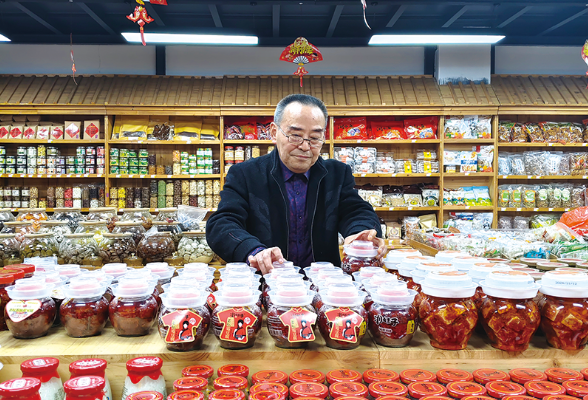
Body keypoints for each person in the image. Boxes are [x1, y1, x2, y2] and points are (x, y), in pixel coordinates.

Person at [206, 93, 385, 274]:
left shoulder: (337, 174)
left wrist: (360, 233)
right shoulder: (246, 174)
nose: (305, 147)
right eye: (295, 135)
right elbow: (222, 223)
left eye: (314, 138)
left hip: (323, 288)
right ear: (274, 133)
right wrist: (254, 251)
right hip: (266, 286)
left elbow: (356, 211)